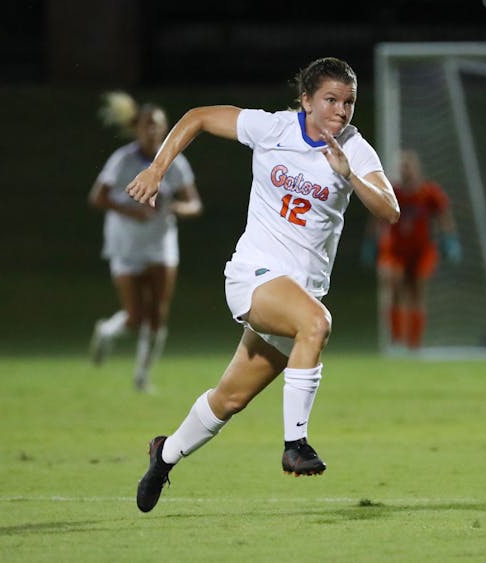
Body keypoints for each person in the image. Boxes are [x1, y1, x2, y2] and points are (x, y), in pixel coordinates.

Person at [124, 57, 400, 513]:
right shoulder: (272, 129)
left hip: (294, 294)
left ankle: (164, 455)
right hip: (253, 276)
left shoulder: (354, 148)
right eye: (330, 99)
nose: (341, 111)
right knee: (317, 323)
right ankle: (296, 443)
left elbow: (389, 210)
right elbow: (197, 118)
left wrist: (348, 172)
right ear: (306, 99)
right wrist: (157, 170)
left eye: (349, 102)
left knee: (228, 399)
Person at [88, 92, 203, 393]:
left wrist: (175, 207)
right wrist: (130, 210)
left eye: (158, 125)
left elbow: (194, 204)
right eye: (147, 125)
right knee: (135, 315)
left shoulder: (174, 162)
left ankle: (142, 376)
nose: (152, 130)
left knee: (157, 312)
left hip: (162, 243)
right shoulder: (123, 160)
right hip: (125, 244)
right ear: (137, 128)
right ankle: (106, 332)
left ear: (166, 129)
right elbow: (97, 197)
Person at [374, 149, 461, 350]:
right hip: (397, 251)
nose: (406, 170)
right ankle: (396, 340)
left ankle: (414, 343)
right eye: (403, 167)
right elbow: (378, 217)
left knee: (417, 293)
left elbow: (443, 215)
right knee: (394, 287)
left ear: (417, 168)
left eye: (409, 166)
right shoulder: (393, 192)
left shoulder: (429, 192)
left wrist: (450, 239)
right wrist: (375, 242)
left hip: (421, 251)